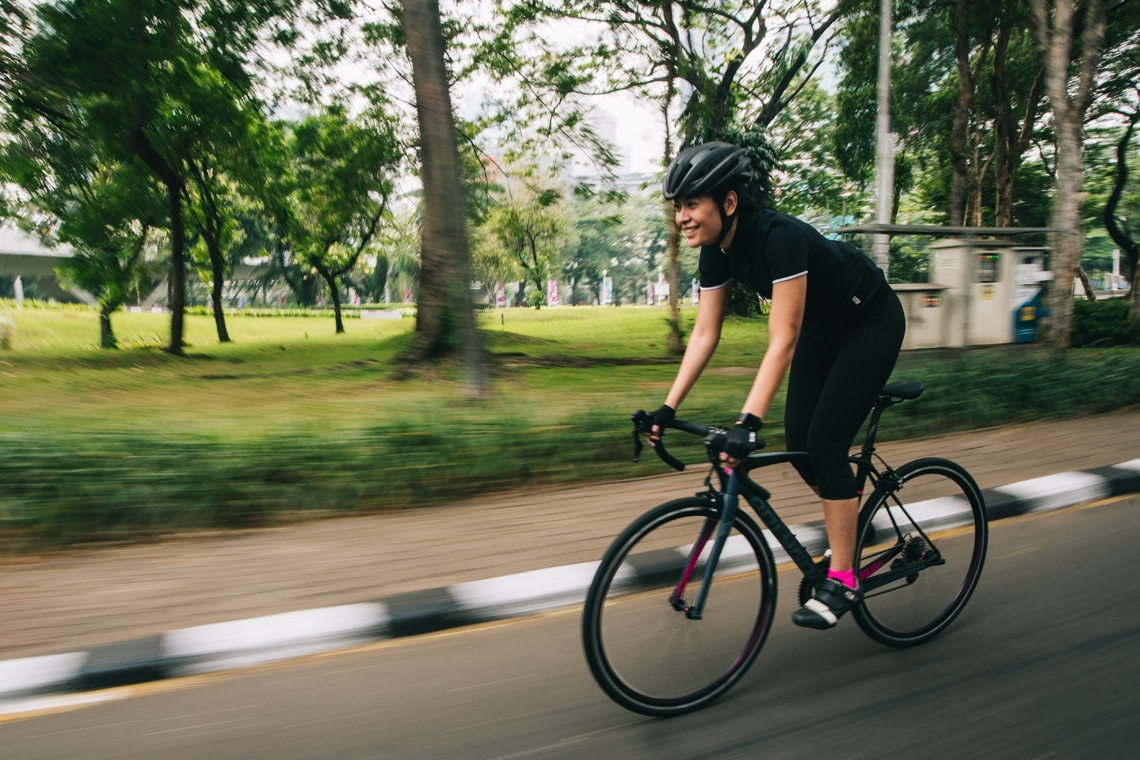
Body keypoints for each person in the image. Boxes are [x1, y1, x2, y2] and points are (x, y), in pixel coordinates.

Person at [641, 141, 906, 630]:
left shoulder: (778, 237)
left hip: (869, 321)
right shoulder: (716, 252)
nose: (682, 217)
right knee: (802, 446)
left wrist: (748, 422)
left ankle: (844, 578)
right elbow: (705, 334)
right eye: (678, 207)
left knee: (825, 445)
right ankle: (849, 521)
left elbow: (782, 337)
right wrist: (667, 408)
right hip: (823, 331)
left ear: (729, 201)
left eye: (692, 204)